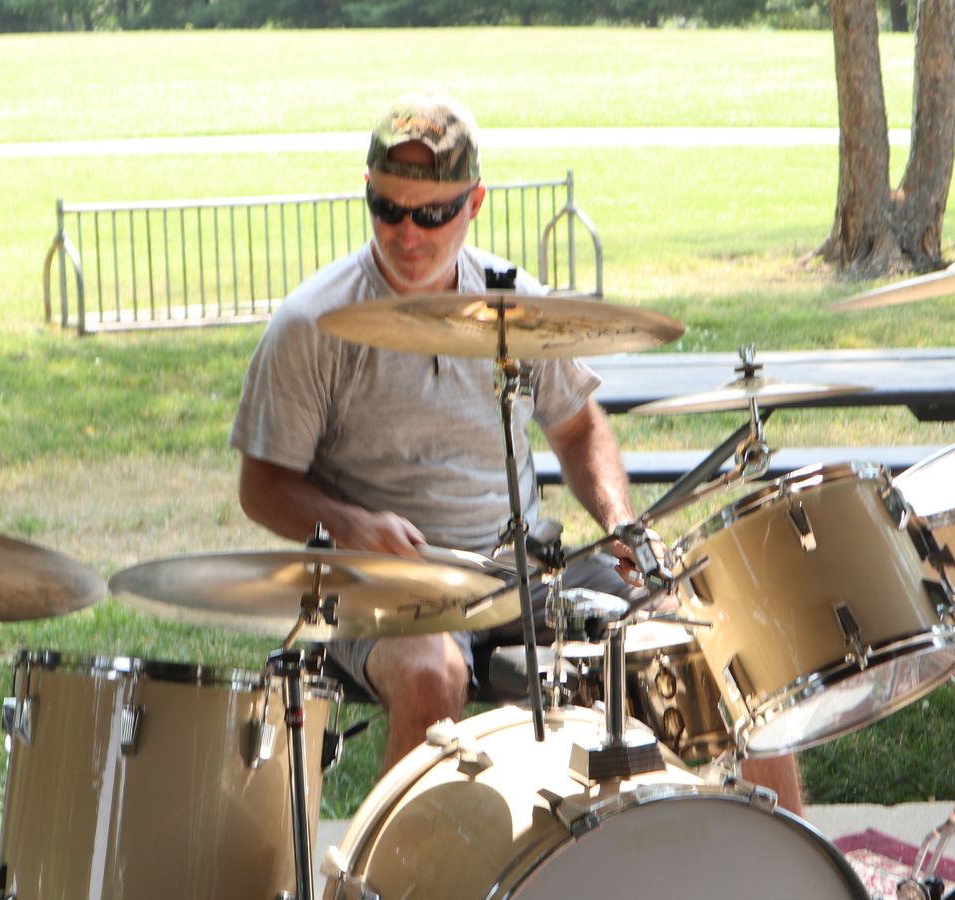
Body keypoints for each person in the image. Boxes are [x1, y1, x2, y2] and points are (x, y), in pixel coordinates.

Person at [229, 93, 803, 814]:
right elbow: (262, 486)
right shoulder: (314, 322)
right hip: (384, 582)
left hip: (522, 571)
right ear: (366, 192)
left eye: (431, 214)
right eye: (387, 208)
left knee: (715, 637)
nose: (406, 232)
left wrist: (620, 521)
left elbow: (579, 430)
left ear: (474, 204)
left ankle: (793, 856)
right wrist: (351, 524)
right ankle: (390, 867)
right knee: (433, 674)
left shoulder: (513, 303)